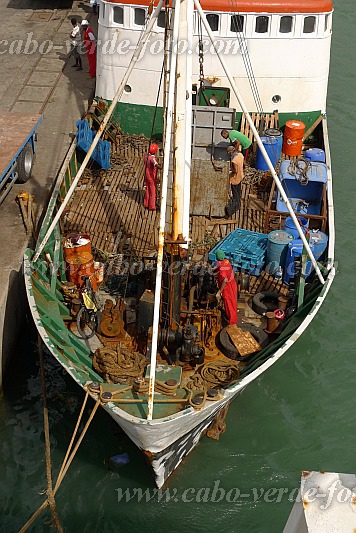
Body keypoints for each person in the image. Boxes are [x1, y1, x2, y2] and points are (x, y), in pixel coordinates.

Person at [214, 250, 238, 325]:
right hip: (231, 283)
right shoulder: (226, 261)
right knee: (228, 303)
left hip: (228, 286)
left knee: (229, 304)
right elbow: (219, 267)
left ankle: (232, 323)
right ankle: (228, 315)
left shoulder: (222, 268)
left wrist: (219, 291)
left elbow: (225, 279)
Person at [225, 145, 244, 218]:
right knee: (238, 192)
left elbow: (235, 171)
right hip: (240, 176)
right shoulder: (240, 155)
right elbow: (244, 164)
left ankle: (231, 211)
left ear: (230, 153)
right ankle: (238, 204)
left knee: (235, 194)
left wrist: (230, 170)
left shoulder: (234, 160)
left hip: (235, 179)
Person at [144, 144, 161, 211]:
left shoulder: (146, 156)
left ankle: (146, 203)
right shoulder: (152, 158)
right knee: (153, 190)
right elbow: (156, 165)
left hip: (146, 173)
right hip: (151, 176)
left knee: (147, 189)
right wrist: (162, 167)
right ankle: (152, 206)